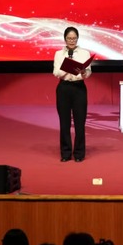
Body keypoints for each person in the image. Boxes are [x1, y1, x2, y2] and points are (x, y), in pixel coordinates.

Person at [53, 26, 92, 162]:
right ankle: (66, 153)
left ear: (77, 39)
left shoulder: (84, 53)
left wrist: (83, 72)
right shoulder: (59, 54)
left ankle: (79, 154)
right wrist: (68, 66)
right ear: (65, 39)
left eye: (74, 38)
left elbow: (88, 73)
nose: (72, 41)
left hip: (79, 88)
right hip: (64, 88)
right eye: (69, 38)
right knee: (64, 123)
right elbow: (56, 73)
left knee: (80, 123)